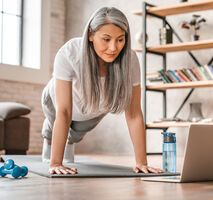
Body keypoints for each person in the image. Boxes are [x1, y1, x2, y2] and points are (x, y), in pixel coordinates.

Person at [41, 7, 163, 175]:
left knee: (75, 134)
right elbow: (64, 111)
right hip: (56, 101)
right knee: (56, 122)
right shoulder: (69, 52)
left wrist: (141, 162)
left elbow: (134, 113)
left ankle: (69, 139)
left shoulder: (130, 61)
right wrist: (56, 163)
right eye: (106, 39)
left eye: (120, 40)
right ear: (91, 34)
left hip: (91, 107)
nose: (113, 48)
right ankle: (49, 133)